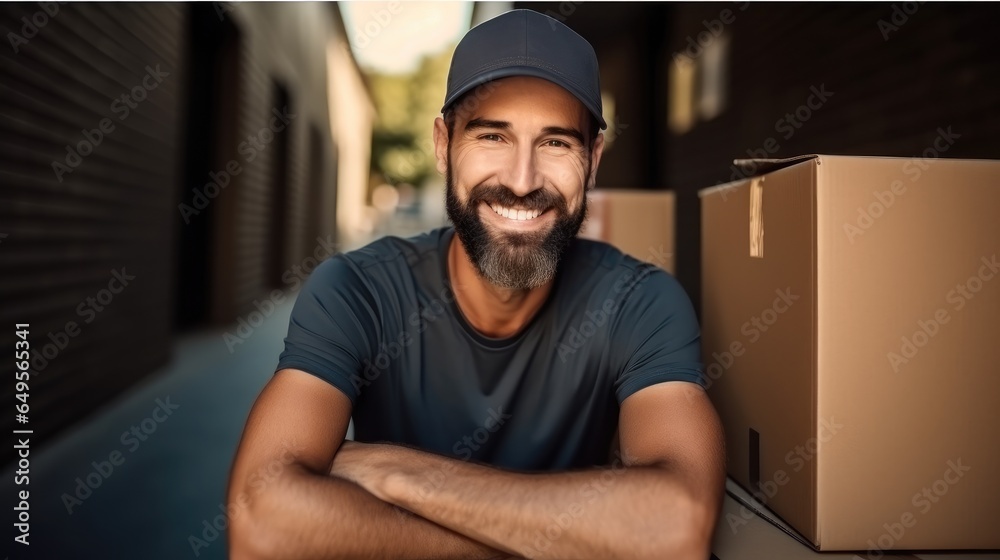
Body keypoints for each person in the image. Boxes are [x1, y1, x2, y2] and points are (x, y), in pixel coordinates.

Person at [228, 9, 724, 560]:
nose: (520, 180)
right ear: (443, 144)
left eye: (556, 143)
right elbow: (262, 526)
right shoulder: (356, 291)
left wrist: (394, 473)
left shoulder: (642, 304)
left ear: (594, 158)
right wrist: (563, 541)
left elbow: (675, 530)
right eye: (492, 136)